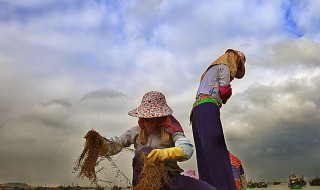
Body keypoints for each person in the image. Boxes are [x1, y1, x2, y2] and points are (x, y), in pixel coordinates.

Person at [99, 91, 217, 190]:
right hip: (143, 180)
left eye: (154, 118)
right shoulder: (135, 131)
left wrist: (164, 154)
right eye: (147, 118)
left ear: (161, 117)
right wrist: (99, 145)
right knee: (144, 152)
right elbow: (115, 145)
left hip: (170, 178)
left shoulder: (172, 130)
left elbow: (187, 149)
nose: (150, 122)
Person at [191, 49, 246, 189]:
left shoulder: (212, 70)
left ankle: (207, 187)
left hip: (196, 110)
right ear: (235, 60)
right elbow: (224, 90)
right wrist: (228, 95)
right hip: (209, 106)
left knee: (204, 155)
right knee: (217, 152)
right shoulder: (226, 66)